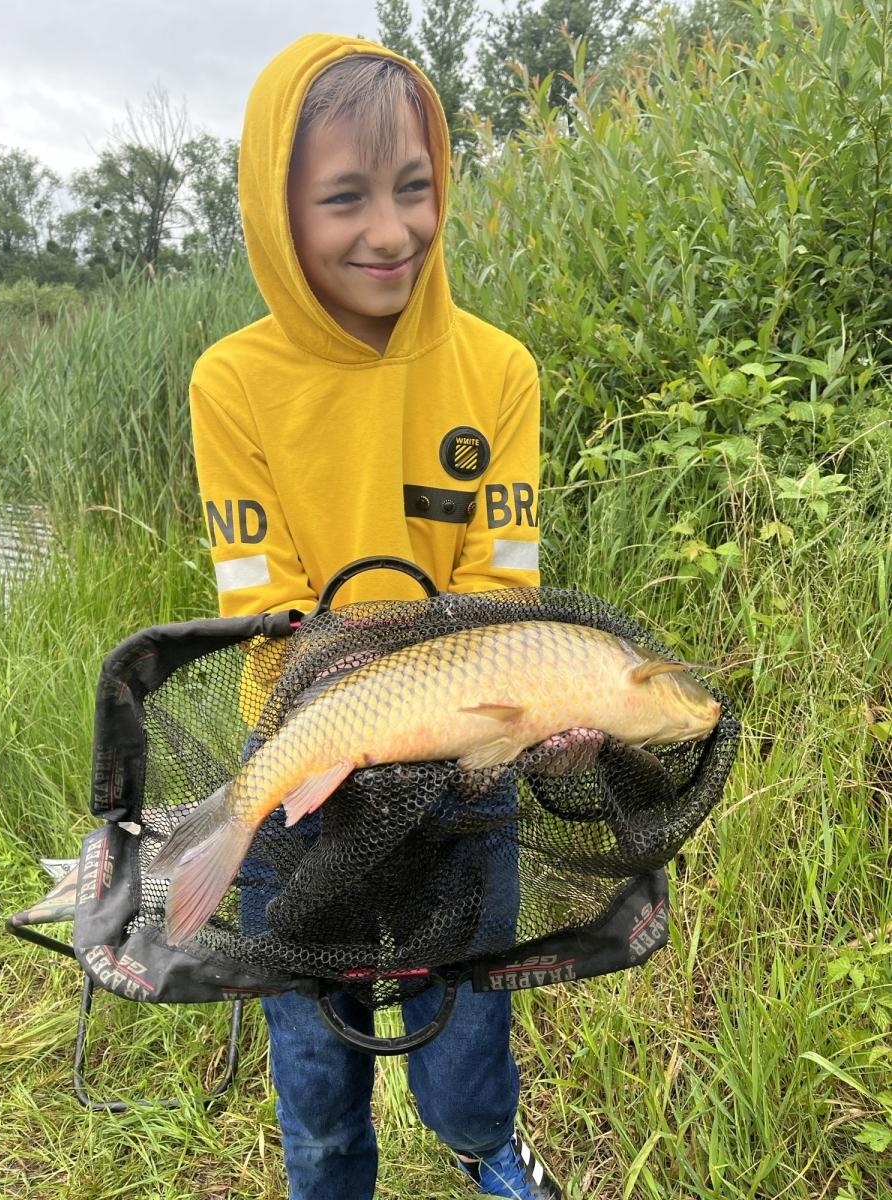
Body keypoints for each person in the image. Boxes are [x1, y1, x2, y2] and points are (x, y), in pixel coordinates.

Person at [188, 33, 560, 1200]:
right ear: (276, 212)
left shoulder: (498, 371)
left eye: (415, 187)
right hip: (302, 756)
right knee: (315, 1064)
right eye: (345, 198)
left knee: (469, 1032)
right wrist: (365, 707)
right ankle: (327, 1175)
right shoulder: (230, 384)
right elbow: (270, 607)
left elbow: (501, 594)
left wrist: (533, 711)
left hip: (464, 766)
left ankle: (485, 1146)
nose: (392, 231)